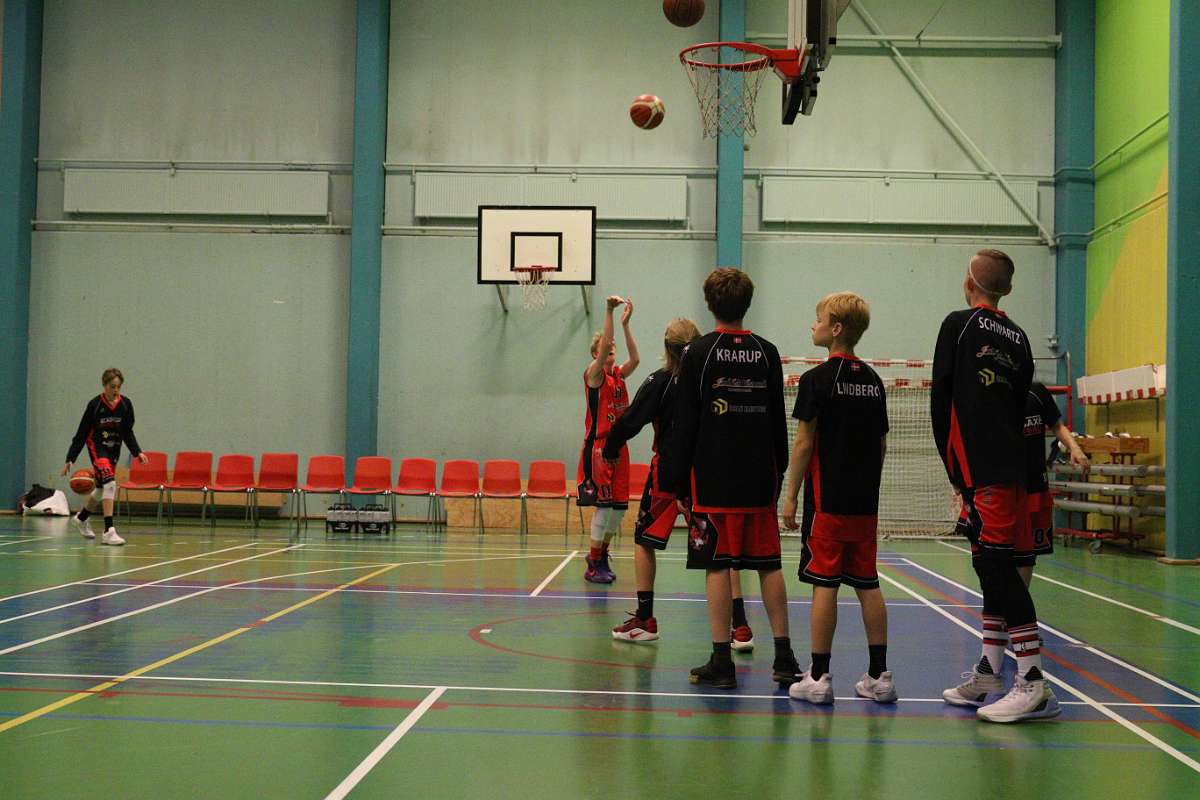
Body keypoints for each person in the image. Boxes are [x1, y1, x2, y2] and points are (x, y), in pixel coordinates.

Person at [932, 250, 1059, 723]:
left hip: (981, 470)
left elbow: (941, 397)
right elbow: (1020, 401)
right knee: (990, 567)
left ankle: (1032, 680)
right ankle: (989, 670)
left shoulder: (959, 324)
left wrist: (955, 471)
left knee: (998, 568)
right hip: (1010, 469)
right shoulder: (1020, 338)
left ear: (969, 283)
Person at [661, 268, 800, 689]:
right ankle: (784, 657)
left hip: (712, 480)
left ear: (709, 304)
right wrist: (779, 475)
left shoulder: (698, 353)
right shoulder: (767, 352)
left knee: (717, 565)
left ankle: (722, 661)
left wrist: (676, 483)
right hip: (759, 480)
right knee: (768, 564)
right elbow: (778, 422)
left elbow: (685, 423)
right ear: (748, 303)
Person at [607, 318, 755, 650]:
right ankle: (740, 625)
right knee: (720, 551)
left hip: (668, 475)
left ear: (666, 347)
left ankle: (645, 618)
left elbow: (629, 421)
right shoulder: (715, 383)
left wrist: (610, 449)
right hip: (706, 478)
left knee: (643, 539)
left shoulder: (660, 381)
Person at [782, 292, 896, 705]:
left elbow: (803, 444)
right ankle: (880, 676)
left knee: (824, 583)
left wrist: (790, 496)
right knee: (868, 583)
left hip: (827, 502)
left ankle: (818, 676)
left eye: (817, 319)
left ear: (835, 329)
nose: (811, 325)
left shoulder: (815, 380)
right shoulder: (874, 381)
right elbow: (881, 445)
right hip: (864, 504)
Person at [577, 295, 639, 583]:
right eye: (606, 347)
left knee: (618, 510)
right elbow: (604, 349)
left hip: (620, 448)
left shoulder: (619, 376)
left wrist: (626, 325)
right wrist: (609, 311)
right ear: (596, 353)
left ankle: (601, 555)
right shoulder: (594, 375)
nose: (611, 348)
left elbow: (636, 359)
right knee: (603, 507)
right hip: (599, 449)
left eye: (614, 346)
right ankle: (593, 562)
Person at [63, 368, 148, 546]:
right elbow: (81, 433)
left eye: (118, 387)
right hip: (97, 447)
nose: (116, 390)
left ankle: (81, 518)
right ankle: (109, 531)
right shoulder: (95, 405)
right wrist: (70, 458)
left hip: (114, 448)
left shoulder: (125, 405)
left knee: (102, 489)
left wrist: (137, 452)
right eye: (112, 386)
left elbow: (127, 432)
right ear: (104, 385)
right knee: (110, 484)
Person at [1021, 382, 1090, 586]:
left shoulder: (1037, 392)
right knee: (1003, 553)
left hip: (1036, 487)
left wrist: (1075, 448)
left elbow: (1057, 426)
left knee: (1028, 553)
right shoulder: (995, 392)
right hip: (1006, 488)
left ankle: (1020, 599)